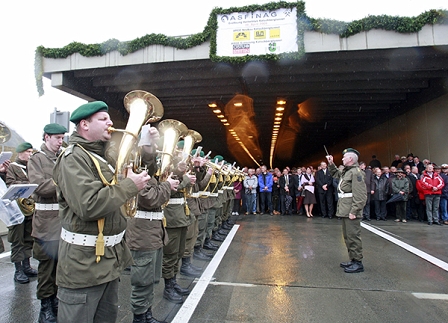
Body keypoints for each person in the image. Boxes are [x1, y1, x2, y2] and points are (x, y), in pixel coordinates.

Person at [52, 101, 151, 323]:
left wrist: (147, 147)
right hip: (84, 265)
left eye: (109, 119)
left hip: (108, 261)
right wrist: (129, 187)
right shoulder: (73, 157)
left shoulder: (103, 157)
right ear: (84, 125)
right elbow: (88, 205)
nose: (110, 123)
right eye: (103, 119)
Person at [125, 125, 175, 323]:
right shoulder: (133, 173)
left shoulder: (147, 171)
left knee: (151, 278)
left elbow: (151, 166)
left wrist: (149, 147)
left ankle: (147, 314)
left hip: (153, 231)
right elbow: (151, 199)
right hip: (142, 232)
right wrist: (167, 186)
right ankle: (139, 317)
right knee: (142, 279)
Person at [28, 123, 67, 322]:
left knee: (62, 266)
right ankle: (45, 305)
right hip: (45, 225)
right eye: (57, 138)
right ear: (46, 137)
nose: (61, 141)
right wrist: (65, 180)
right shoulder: (37, 159)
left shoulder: (63, 157)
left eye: (62, 138)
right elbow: (40, 187)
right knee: (46, 268)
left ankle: (56, 300)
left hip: (64, 224)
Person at [328, 148, 367, 274]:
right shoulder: (347, 172)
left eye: (344, 157)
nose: (343, 159)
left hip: (350, 210)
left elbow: (360, 195)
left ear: (350, 159)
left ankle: (358, 262)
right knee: (347, 236)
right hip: (345, 208)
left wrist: (354, 211)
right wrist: (331, 164)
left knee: (353, 236)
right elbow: (336, 174)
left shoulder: (356, 173)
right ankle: (353, 259)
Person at [6, 141, 37, 284]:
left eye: (31, 152)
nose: (31, 154)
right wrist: (26, 185)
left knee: (28, 238)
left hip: (29, 209)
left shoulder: (31, 167)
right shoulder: (12, 167)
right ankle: (18, 270)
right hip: (16, 210)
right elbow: (9, 184)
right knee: (17, 240)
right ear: (20, 152)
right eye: (28, 152)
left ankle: (26, 266)